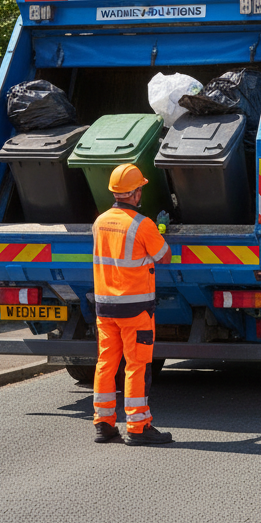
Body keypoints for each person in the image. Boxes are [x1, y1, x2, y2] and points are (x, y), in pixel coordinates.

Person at [90, 163, 173, 446]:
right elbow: (163, 256)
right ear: (136, 193)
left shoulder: (99, 222)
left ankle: (104, 424)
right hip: (135, 309)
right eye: (141, 189)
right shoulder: (143, 225)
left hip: (105, 307)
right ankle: (138, 427)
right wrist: (160, 229)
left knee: (106, 363)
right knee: (137, 365)